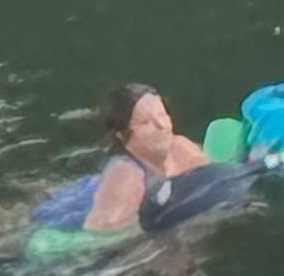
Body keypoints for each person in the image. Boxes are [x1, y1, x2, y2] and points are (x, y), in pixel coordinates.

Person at [82, 82, 219, 235]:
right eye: (146, 122)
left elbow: (213, 181)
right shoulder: (126, 176)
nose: (162, 125)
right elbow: (100, 236)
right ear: (123, 135)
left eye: (162, 115)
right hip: (79, 208)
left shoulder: (181, 147)